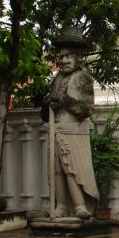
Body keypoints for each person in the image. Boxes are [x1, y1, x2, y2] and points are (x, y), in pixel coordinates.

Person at [40, 27, 99, 220]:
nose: (63, 60)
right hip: (56, 129)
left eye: (69, 56)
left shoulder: (83, 78)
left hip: (74, 131)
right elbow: (45, 113)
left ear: (79, 57)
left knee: (72, 169)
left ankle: (80, 205)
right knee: (56, 171)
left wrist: (63, 99)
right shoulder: (57, 79)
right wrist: (49, 102)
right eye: (61, 56)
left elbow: (86, 110)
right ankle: (61, 206)